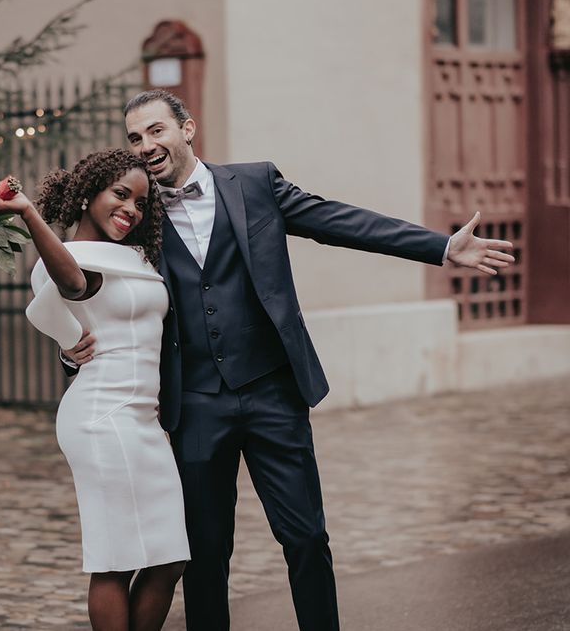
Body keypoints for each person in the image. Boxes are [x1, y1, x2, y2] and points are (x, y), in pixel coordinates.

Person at [63, 90, 515, 631]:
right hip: (195, 403)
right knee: (206, 553)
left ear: (187, 130)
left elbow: (339, 222)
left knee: (305, 537)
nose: (145, 145)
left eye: (156, 130)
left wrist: (440, 247)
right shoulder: (136, 211)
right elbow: (88, 282)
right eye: (135, 137)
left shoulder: (254, 183)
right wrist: (71, 349)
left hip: (272, 391)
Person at [0, 148, 189, 631]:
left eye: (140, 203)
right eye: (120, 194)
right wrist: (28, 212)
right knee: (116, 558)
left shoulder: (137, 257)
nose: (130, 209)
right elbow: (72, 284)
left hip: (144, 421)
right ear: (89, 192)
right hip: (101, 417)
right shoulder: (71, 260)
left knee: (170, 557)